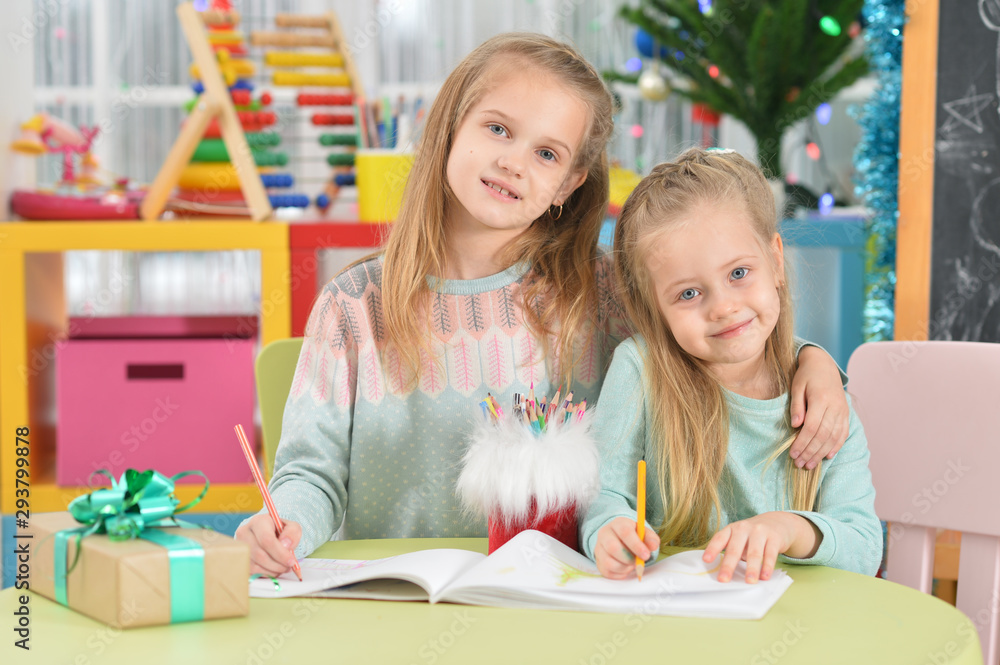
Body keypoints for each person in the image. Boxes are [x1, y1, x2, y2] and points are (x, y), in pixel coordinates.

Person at [237, 35, 849, 578]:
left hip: (559, 610)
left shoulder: (605, 295)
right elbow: (309, 478)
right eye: (498, 129)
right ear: (451, 124)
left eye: (548, 154)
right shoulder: (352, 307)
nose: (512, 161)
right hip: (395, 610)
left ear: (570, 184)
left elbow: (720, 337)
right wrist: (283, 525)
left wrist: (813, 363)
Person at [582, 149, 882, 583]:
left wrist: (789, 529)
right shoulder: (640, 369)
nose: (723, 308)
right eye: (688, 294)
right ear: (654, 307)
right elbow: (604, 496)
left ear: (776, 260)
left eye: (739, 273)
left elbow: (865, 549)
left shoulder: (825, 401)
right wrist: (608, 533)